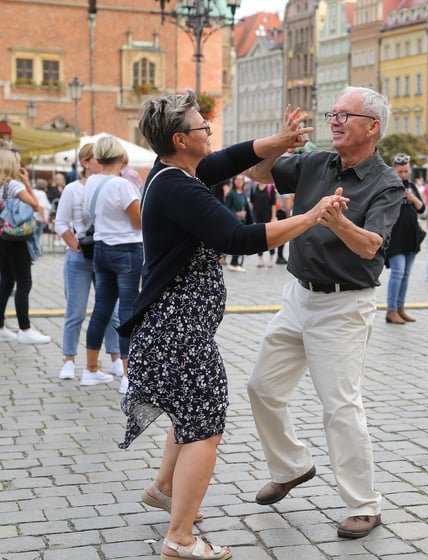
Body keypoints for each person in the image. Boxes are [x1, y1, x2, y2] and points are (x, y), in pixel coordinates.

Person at [118, 91, 343, 560]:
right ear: (181, 139)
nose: (209, 132)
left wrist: (278, 141)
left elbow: (228, 158)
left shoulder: (174, 171)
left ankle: (163, 489)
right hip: (175, 332)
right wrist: (309, 216)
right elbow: (237, 238)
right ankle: (180, 538)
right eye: (202, 127)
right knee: (204, 427)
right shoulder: (179, 187)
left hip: (172, 329)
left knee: (189, 415)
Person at [246, 86, 403, 540]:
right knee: (262, 387)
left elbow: (372, 246)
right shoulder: (316, 162)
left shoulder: (386, 183)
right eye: (332, 114)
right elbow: (259, 175)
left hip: (344, 305)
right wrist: (277, 143)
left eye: (345, 115)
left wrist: (338, 222)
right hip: (298, 295)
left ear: (372, 127)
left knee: (340, 406)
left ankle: (364, 504)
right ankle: (292, 465)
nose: (334, 121)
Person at [53, 143, 122, 382]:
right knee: (76, 311)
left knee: (111, 311)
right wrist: (76, 246)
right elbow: (60, 223)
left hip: (104, 254)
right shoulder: (73, 189)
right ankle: (69, 360)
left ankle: (115, 359)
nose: (101, 161)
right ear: (85, 163)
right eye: (96, 158)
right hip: (81, 256)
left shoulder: (110, 184)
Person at [83, 136, 143, 393]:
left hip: (101, 248)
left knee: (101, 309)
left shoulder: (91, 183)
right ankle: (129, 377)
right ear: (120, 158)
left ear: (97, 158)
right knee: (128, 311)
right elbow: (139, 220)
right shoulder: (122, 185)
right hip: (127, 249)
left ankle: (91, 369)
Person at [0, 149, 52, 344]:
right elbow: (35, 205)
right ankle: (25, 329)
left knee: (5, 281)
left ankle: (1, 326)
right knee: (24, 282)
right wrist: (27, 184)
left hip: (1, 236)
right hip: (16, 239)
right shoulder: (13, 185)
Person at [384, 153, 425, 324]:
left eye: (406, 171)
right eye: (400, 171)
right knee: (398, 272)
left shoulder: (412, 187)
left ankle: (400, 308)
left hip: (411, 235)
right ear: (393, 170)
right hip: (395, 236)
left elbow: (422, 208)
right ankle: (391, 310)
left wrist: (412, 197)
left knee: (406, 274)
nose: (403, 175)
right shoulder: (387, 186)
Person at [224, 174, 250, 272]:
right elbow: (226, 208)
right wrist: (236, 213)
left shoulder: (243, 193)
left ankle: (237, 263)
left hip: (243, 221)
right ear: (234, 181)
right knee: (238, 242)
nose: (239, 181)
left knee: (242, 242)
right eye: (237, 180)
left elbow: (247, 207)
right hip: (235, 221)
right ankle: (234, 263)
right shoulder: (231, 193)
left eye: (241, 180)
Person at [250, 182, 277, 268]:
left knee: (271, 237)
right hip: (257, 217)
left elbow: (273, 204)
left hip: (268, 216)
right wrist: (252, 218)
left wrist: (273, 217)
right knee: (258, 237)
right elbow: (252, 203)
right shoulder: (254, 187)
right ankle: (260, 259)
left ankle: (271, 258)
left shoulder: (270, 188)